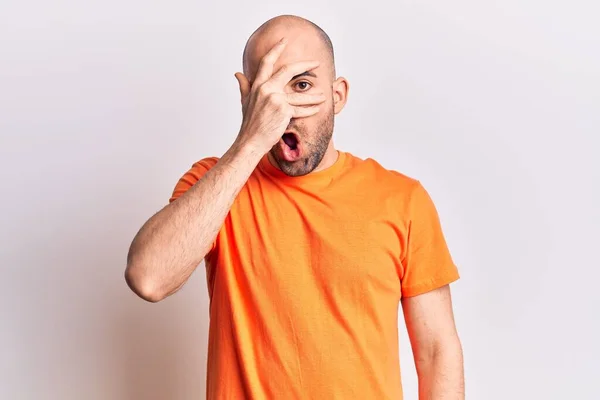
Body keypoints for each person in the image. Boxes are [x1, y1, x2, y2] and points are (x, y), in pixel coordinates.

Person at [125, 14, 465, 400]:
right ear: (248, 99)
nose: (284, 109)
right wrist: (250, 141)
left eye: (301, 85)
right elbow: (148, 279)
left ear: (337, 96)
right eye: (268, 92)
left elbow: (438, 352)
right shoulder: (212, 185)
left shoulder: (402, 200)